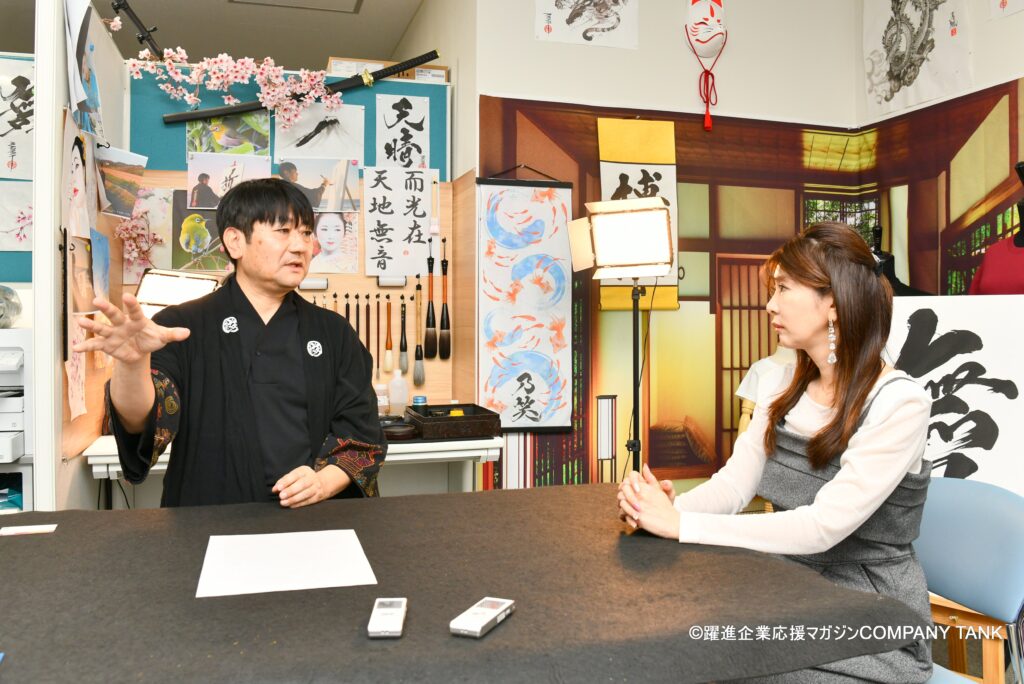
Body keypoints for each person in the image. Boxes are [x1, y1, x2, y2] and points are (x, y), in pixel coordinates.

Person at [617, 222, 934, 683]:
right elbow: (732, 487)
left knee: (729, 664)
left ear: (832, 302)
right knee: (674, 638)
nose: (770, 303)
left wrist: (681, 525)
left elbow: (821, 528)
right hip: (789, 588)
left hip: (871, 612)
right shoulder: (781, 386)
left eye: (784, 288)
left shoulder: (900, 402)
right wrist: (661, 511)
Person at [74, 178, 385, 507]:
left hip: (314, 522)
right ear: (235, 241)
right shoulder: (181, 325)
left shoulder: (333, 332)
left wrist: (321, 483)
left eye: (306, 232)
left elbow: (362, 437)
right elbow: (144, 422)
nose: (301, 246)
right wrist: (132, 364)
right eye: (283, 231)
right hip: (209, 521)